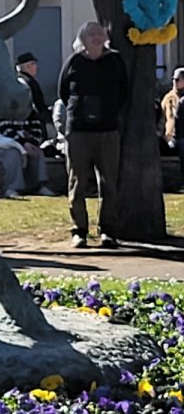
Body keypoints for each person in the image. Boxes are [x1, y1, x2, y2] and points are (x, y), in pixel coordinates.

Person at [58, 21, 127, 249]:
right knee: (77, 182)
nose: (96, 37)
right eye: (91, 34)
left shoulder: (114, 61)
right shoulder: (74, 62)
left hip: (107, 131)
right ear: (83, 39)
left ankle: (108, 231)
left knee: (109, 182)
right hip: (78, 131)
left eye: (99, 33)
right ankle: (79, 231)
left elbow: (123, 92)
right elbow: (63, 92)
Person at [0, 77, 54, 199]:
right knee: (13, 155)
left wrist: (31, 143)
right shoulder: (3, 109)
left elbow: (37, 131)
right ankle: (12, 188)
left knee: (38, 153)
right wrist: (23, 143)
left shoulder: (31, 112)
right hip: (5, 145)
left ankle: (39, 186)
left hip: (26, 144)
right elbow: (6, 131)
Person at [163, 67, 184, 188]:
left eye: (177, 80)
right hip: (172, 137)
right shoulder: (169, 98)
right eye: (174, 80)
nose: (174, 83)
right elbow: (164, 118)